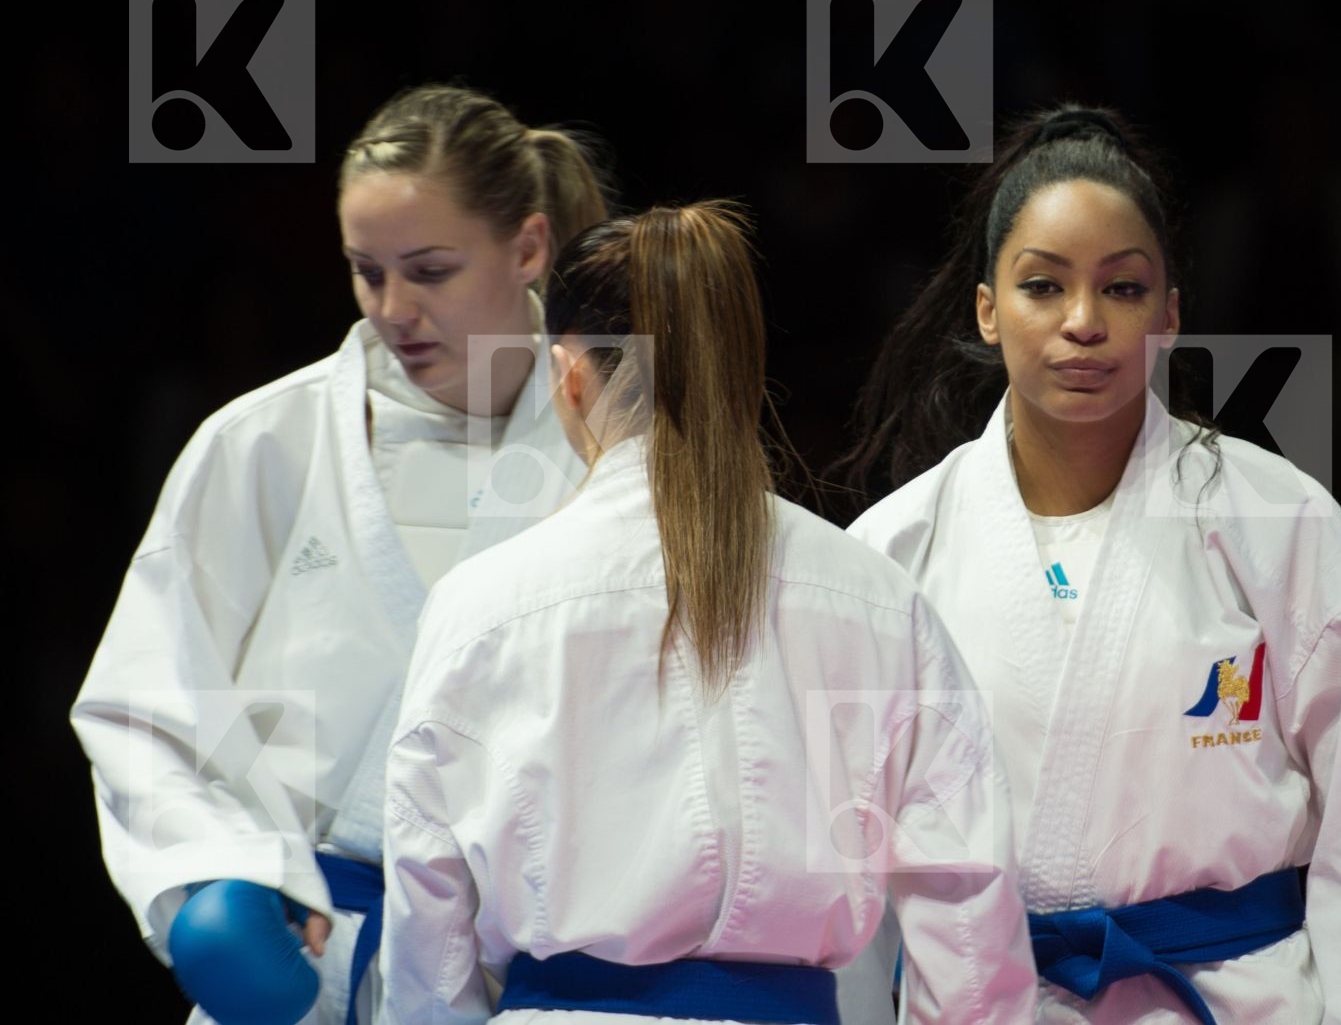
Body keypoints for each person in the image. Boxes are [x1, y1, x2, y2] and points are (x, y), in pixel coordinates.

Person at [831, 107, 1341, 1024]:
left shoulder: (1280, 521)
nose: (1083, 323)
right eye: (1043, 286)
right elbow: (849, 873)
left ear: (1170, 314)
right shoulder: (892, 550)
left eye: (1122, 289)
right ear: (987, 309)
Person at [378, 202, 1038, 1024]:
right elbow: (967, 911)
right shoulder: (874, 598)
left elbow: (429, 928)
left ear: (568, 376)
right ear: (736, 367)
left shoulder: (481, 607)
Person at [70, 83, 614, 1025]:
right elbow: (143, 703)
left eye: (431, 270)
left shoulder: (621, 452)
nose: (394, 307)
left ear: (529, 248)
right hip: (305, 956)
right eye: (368, 272)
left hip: (528, 979)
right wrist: (217, 876)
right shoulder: (265, 442)